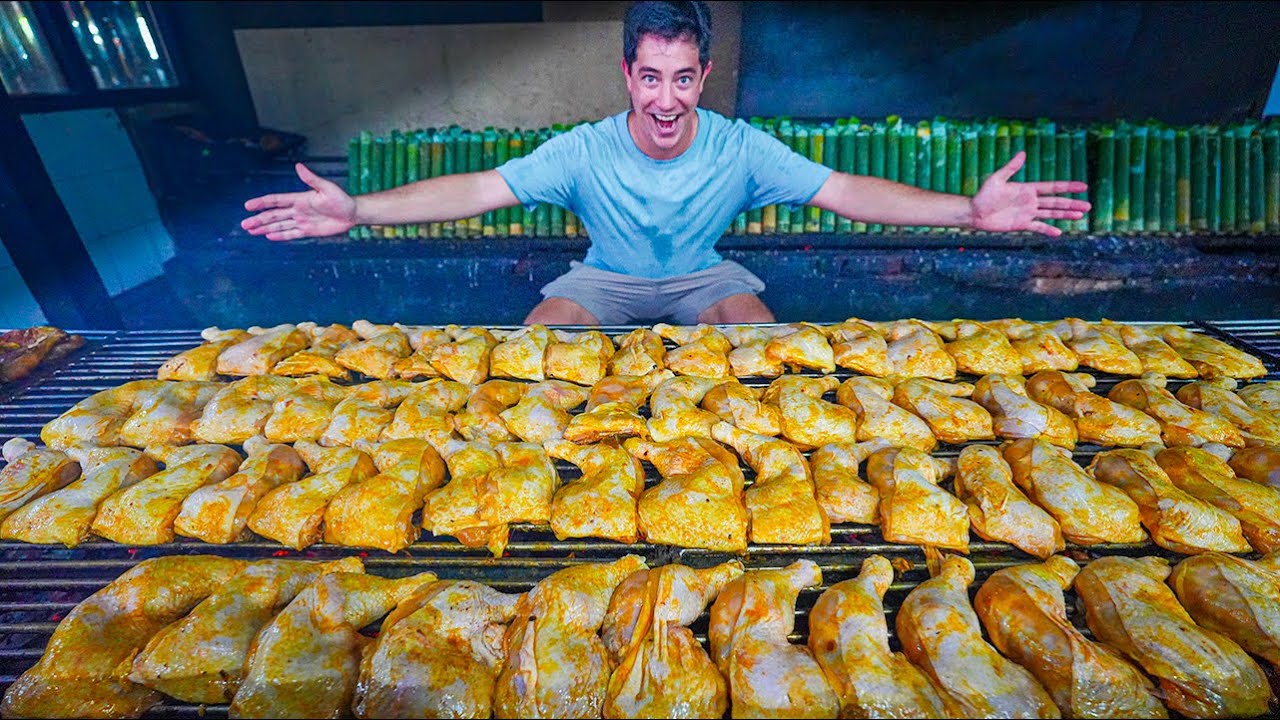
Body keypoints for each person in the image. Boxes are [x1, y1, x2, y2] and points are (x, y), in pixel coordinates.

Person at [241, 0, 1089, 326]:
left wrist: (965, 212)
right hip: (600, 280)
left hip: (703, 279)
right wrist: (358, 210)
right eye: (651, 77)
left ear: (703, 77)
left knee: (764, 364)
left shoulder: (740, 145)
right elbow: (477, 188)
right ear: (629, 75)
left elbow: (845, 192)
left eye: (683, 78)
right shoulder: (583, 147)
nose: (667, 99)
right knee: (537, 364)